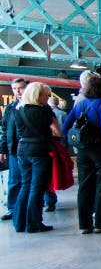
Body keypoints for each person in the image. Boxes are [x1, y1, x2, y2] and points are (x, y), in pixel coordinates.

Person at [62, 76, 101, 234]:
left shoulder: (80, 104)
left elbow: (66, 126)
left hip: (83, 150)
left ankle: (84, 224)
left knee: (85, 185)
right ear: (100, 89)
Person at [10, 82, 60, 233]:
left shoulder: (18, 110)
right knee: (37, 188)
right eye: (46, 95)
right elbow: (57, 131)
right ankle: (34, 223)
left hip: (22, 150)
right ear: (38, 96)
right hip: (40, 150)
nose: (47, 98)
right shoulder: (44, 110)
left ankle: (19, 222)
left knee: (25, 186)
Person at [0, 78, 29, 221]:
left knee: (30, 181)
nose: (18, 91)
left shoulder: (33, 106)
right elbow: (5, 129)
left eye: (21, 88)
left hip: (30, 150)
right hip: (14, 150)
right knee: (14, 180)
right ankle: (12, 209)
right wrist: (2, 149)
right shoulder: (10, 108)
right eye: (15, 88)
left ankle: (29, 208)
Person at [44, 96, 68, 212]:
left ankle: (47, 200)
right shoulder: (61, 113)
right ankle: (49, 200)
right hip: (57, 142)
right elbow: (63, 129)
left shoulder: (45, 112)